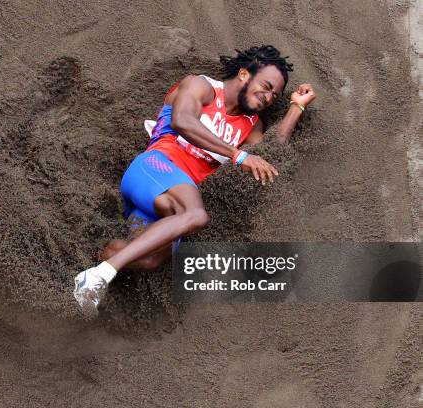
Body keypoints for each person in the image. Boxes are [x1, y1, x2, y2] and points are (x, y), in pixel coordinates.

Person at [73, 45, 316, 316]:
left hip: (168, 203)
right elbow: (182, 121)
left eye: (275, 94)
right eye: (266, 86)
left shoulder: (251, 125)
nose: (269, 97)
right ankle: (98, 277)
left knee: (148, 258)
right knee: (197, 215)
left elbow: (268, 155)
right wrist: (237, 155)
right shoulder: (202, 86)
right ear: (245, 75)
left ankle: (86, 264)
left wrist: (296, 107)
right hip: (153, 168)